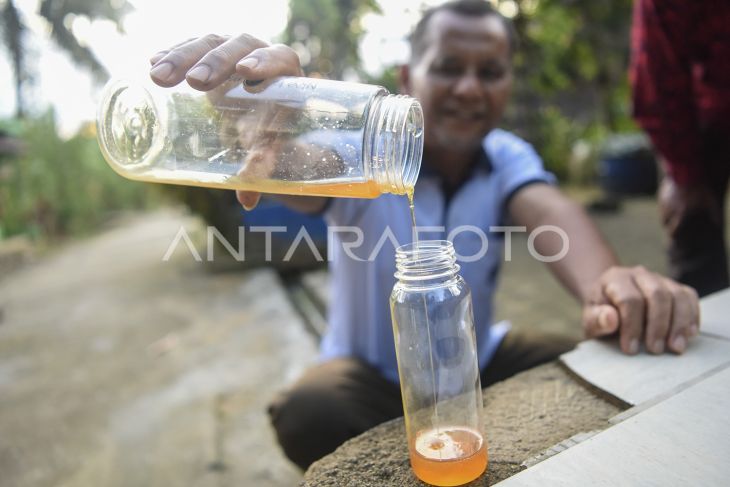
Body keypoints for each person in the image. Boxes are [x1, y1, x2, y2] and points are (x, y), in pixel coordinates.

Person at [149, 0, 700, 470]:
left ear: (509, 83)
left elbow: (550, 210)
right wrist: (271, 134)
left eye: (490, 72)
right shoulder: (359, 155)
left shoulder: (505, 156)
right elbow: (302, 166)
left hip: (477, 359)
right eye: (448, 67)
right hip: (368, 376)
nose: (468, 87)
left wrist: (611, 285)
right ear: (409, 78)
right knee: (312, 407)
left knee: (588, 364)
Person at [630, 0, 730, 297]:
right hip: (704, 119)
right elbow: (655, 74)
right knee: (692, 223)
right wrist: (683, 176)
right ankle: (696, 323)